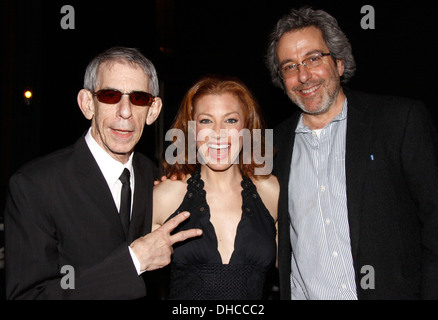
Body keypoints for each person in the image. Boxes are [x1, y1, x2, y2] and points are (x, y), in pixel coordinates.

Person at [266, 7, 438, 299]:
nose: (304, 75)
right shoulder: (272, 147)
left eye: (313, 58)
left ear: (340, 63)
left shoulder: (399, 121)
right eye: (290, 66)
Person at [4, 46, 201, 299]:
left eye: (139, 98)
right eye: (110, 96)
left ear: (152, 111)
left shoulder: (150, 175)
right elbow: (27, 296)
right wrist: (133, 262)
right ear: (88, 104)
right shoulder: (35, 185)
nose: (126, 111)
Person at [153, 75, 279, 299]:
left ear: (247, 127)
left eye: (230, 120)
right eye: (206, 121)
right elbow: (123, 271)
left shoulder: (271, 192)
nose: (218, 132)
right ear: (191, 130)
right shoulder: (165, 196)